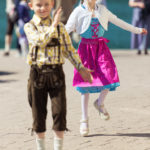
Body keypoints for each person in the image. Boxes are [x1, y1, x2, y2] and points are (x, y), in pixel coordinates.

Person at [65, 0, 147, 136]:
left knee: (109, 77)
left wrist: (137, 30)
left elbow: (119, 22)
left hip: (101, 49)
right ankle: (84, 119)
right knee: (85, 84)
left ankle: (99, 103)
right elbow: (66, 29)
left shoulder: (102, 10)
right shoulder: (78, 11)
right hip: (85, 50)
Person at [24, 0, 93, 149]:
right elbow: (39, 41)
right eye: (39, 5)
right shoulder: (29, 26)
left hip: (56, 74)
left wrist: (81, 68)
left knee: (60, 113)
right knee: (38, 114)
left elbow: (69, 50)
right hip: (37, 75)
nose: (43, 8)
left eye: (46, 5)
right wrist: (53, 25)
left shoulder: (61, 28)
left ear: (52, 4)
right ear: (31, 6)